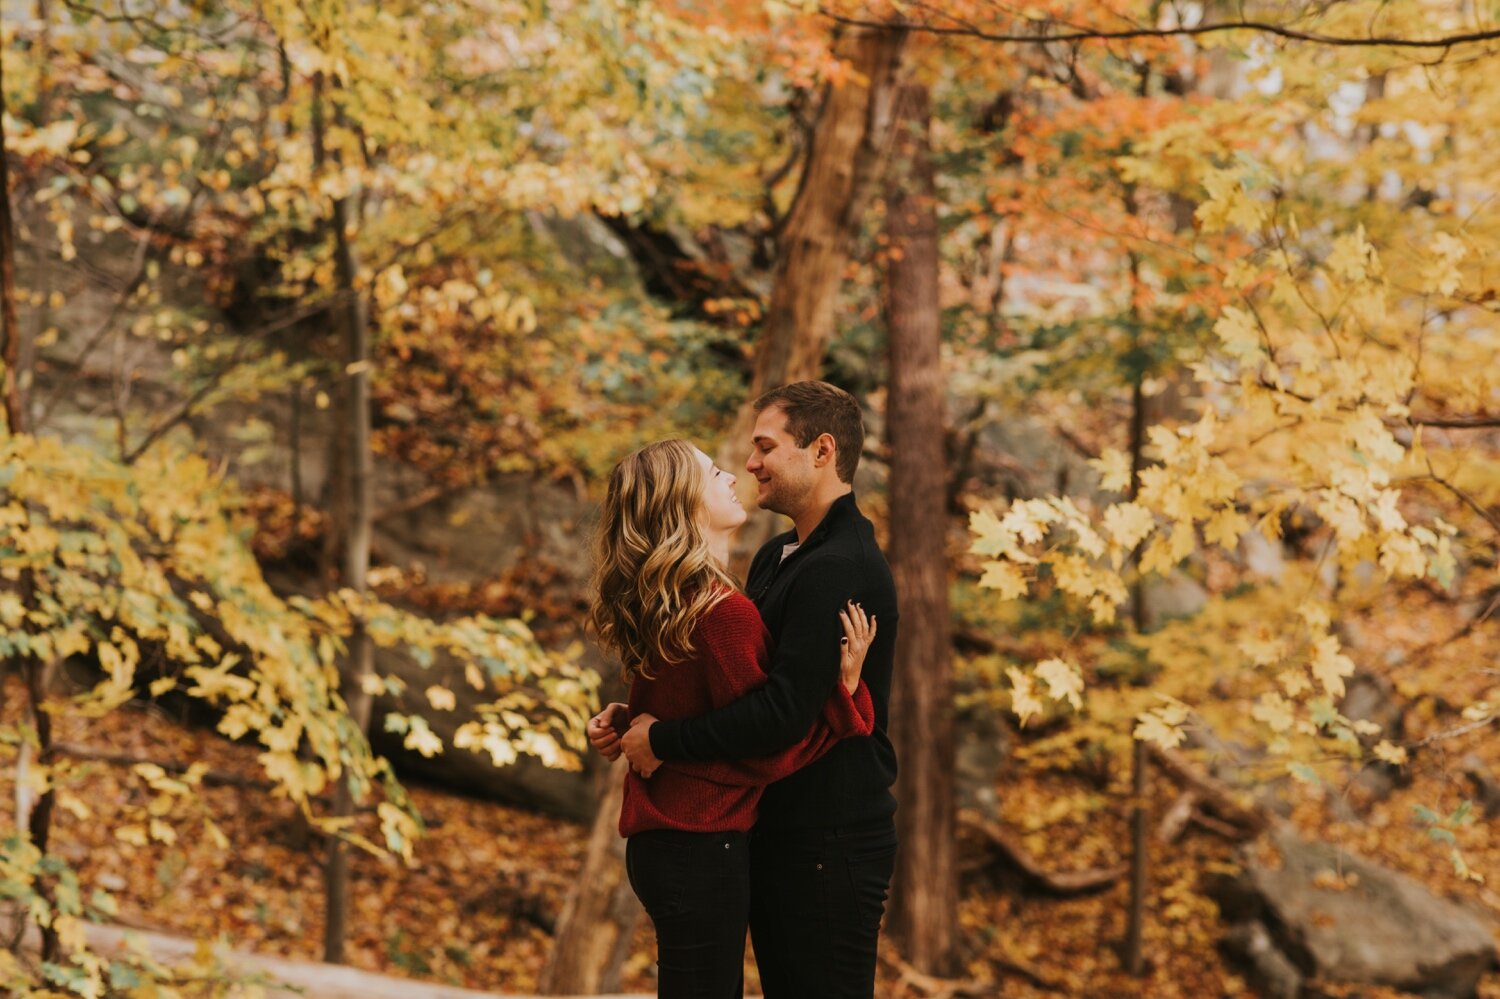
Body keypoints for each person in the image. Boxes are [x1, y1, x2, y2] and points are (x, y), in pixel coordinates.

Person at [591, 381, 900, 999]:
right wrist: (642, 718)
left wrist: (662, 738)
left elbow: (778, 716)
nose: (749, 463)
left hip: (828, 835)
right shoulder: (774, 557)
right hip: (759, 827)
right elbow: (731, 687)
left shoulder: (842, 565)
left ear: (822, 451)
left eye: (766, 445)